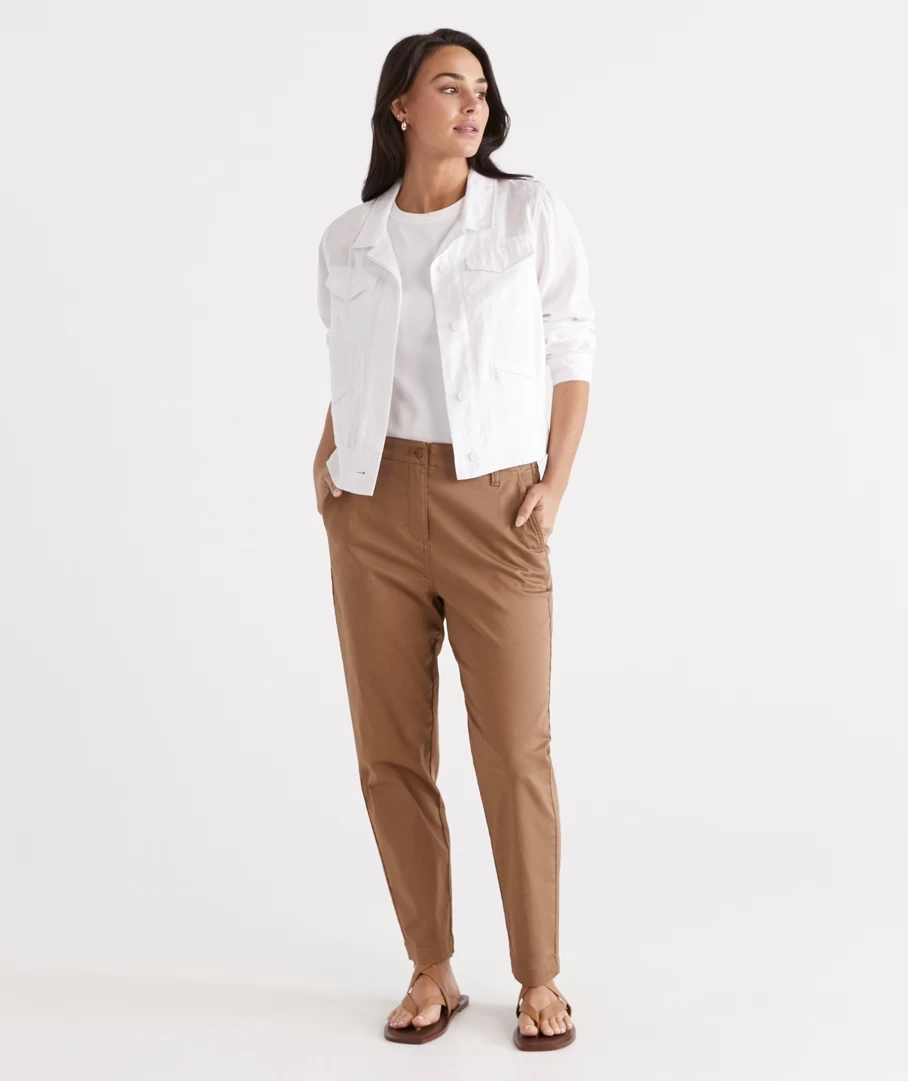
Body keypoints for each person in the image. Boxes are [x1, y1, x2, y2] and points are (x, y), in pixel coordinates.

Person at [313, 28, 594, 1051]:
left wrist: (553, 485)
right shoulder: (350, 237)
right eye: (448, 86)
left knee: (514, 746)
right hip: (372, 505)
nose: (472, 104)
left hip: (496, 501)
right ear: (401, 106)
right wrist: (327, 462)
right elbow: (350, 362)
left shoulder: (525, 213)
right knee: (390, 749)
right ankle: (429, 966)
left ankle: (538, 975)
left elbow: (571, 346)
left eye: (480, 89)